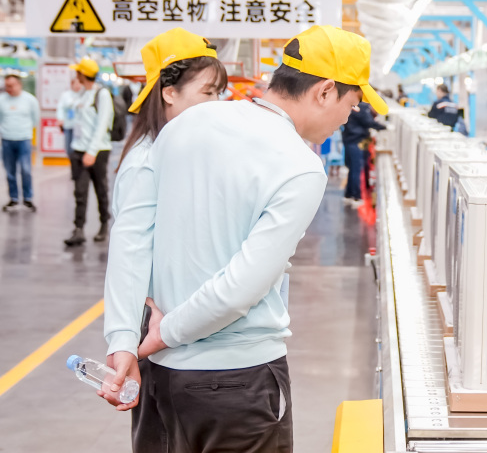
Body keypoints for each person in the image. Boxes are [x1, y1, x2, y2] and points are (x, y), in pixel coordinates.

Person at [102, 25, 388, 452]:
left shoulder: (188, 123)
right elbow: (242, 287)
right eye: (352, 103)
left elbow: (131, 236)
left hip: (161, 376)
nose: (348, 116)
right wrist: (164, 334)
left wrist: (124, 339)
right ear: (325, 91)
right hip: (238, 381)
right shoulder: (300, 166)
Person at [111, 28, 226, 453]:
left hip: (184, 318)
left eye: (220, 93)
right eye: (208, 92)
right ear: (169, 92)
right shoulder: (146, 160)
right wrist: (123, 340)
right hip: (159, 321)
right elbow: (129, 254)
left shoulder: (184, 152)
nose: (217, 103)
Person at [65, 57, 113, 246]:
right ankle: (78, 229)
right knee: (80, 191)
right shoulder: (83, 94)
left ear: (83, 74)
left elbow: (102, 125)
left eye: (78, 71)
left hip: (98, 151)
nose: (75, 74)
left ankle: (104, 225)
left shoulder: (102, 94)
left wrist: (92, 151)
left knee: (101, 189)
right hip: (79, 150)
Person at [0, 74, 40, 212]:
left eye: (11, 86)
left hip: (24, 140)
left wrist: (26, 131)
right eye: (7, 86)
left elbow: (35, 119)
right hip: (7, 140)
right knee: (10, 171)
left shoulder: (30, 100)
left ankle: (28, 198)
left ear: (19, 84)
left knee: (26, 170)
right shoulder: (2, 100)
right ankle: (14, 198)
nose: (9, 89)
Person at [341, 101, 385, 206]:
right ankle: (356, 197)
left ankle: (348, 195)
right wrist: (385, 127)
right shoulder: (363, 108)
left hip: (350, 140)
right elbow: (369, 122)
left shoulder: (359, 107)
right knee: (356, 169)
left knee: (352, 169)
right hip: (355, 141)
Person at [56, 76, 83, 166]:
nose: (78, 86)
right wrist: (60, 119)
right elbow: (60, 108)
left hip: (80, 127)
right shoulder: (65, 95)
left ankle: (77, 165)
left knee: (79, 147)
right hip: (69, 125)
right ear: (72, 84)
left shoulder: (83, 94)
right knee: (68, 147)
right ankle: (73, 163)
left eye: (80, 83)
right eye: (76, 83)